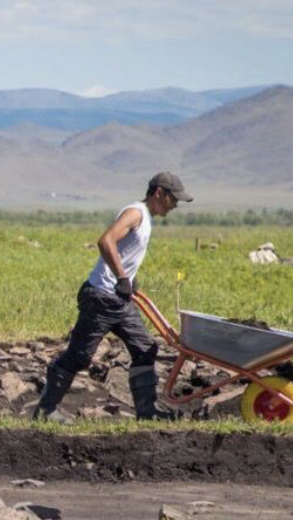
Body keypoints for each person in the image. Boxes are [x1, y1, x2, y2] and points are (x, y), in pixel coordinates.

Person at [33, 171, 193, 422]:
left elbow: (121, 251)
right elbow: (105, 240)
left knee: (145, 348)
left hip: (118, 300)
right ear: (159, 193)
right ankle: (46, 409)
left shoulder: (146, 217)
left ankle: (147, 413)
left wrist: (128, 277)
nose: (175, 205)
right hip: (101, 297)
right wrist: (121, 277)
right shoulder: (135, 213)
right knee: (80, 356)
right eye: (174, 199)